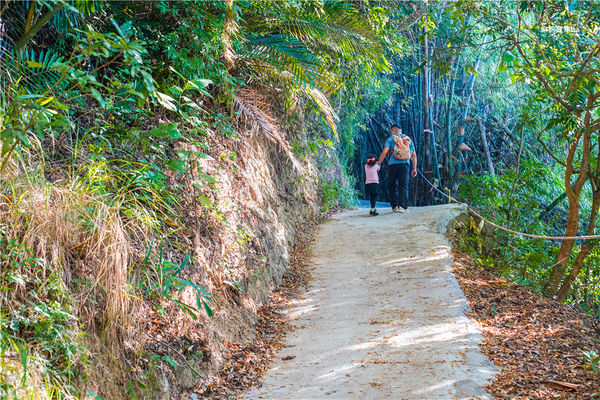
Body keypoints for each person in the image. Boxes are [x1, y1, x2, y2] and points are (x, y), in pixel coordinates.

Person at [377, 124, 417, 213]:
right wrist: (414, 168)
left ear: (393, 131)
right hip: (405, 165)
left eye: (391, 131)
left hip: (393, 165)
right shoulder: (408, 139)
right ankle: (402, 207)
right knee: (403, 185)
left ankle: (394, 206)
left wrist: (379, 162)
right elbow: (413, 155)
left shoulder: (391, 139)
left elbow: (384, 152)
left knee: (392, 185)